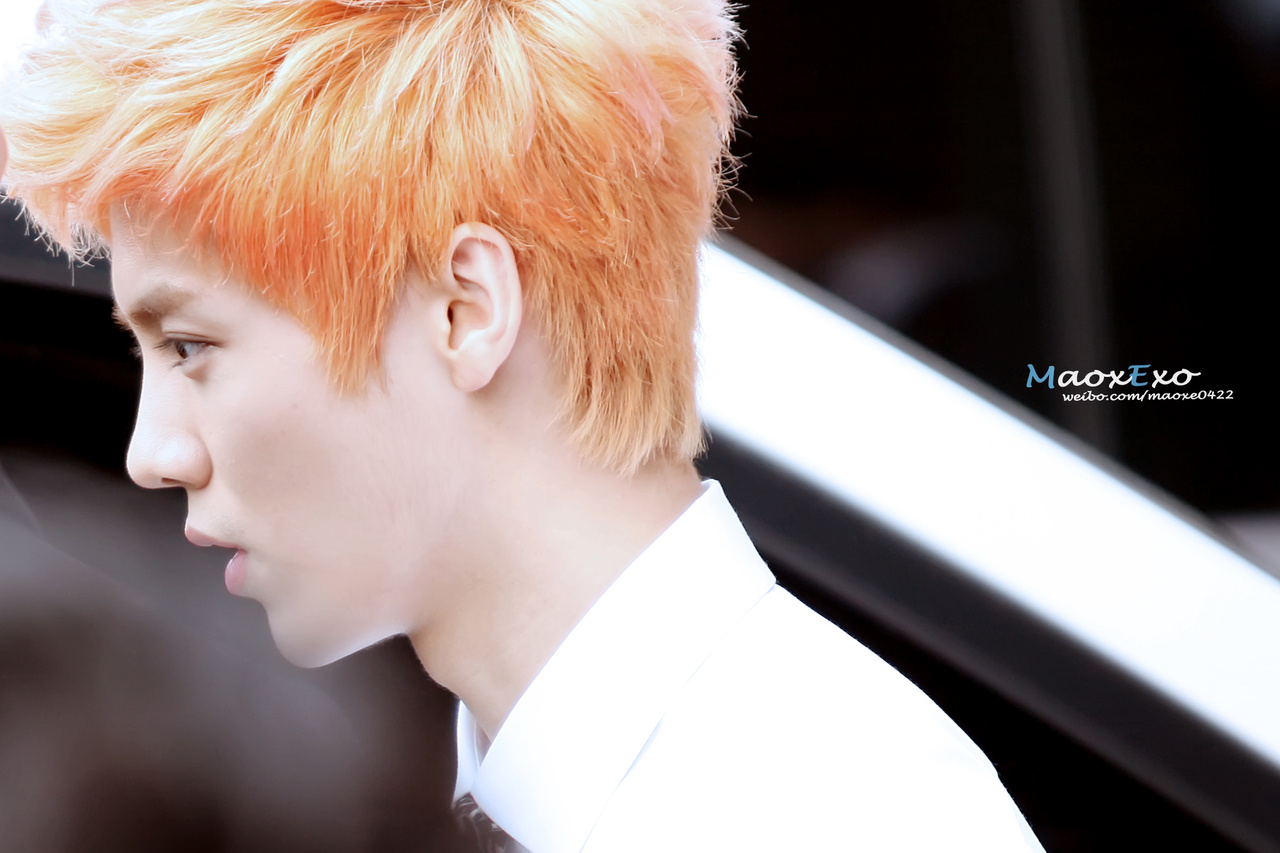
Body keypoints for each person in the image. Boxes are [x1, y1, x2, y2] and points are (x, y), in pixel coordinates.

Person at [1, 1, 1045, 850]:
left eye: (190, 346)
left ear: (466, 311)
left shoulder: (839, 813)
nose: (152, 453)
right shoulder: (489, 779)